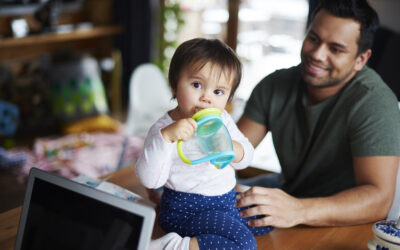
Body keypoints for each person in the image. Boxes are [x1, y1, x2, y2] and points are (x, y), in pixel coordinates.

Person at [236, 0, 400, 229]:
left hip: (344, 219)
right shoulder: (274, 85)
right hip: (288, 192)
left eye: (336, 49)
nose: (317, 54)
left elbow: (379, 200)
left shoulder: (374, 101)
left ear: (360, 59)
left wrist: (298, 209)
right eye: (313, 38)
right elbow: (229, 156)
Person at [136, 38, 272, 250]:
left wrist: (232, 148)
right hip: (187, 210)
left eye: (218, 92)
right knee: (245, 244)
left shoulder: (223, 119)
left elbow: (244, 159)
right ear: (174, 85)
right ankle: (169, 245)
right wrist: (167, 138)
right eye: (197, 85)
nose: (206, 98)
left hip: (224, 201)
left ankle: (203, 239)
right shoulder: (165, 129)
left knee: (267, 216)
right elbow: (151, 180)